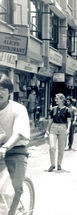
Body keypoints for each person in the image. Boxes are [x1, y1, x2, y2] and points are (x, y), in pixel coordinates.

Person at [0, 73, 30, 215]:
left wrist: (6, 147)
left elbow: (19, 133)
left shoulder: (18, 109)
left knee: (13, 188)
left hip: (16, 150)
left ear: (9, 92)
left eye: (2, 89)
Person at [45, 93, 71, 172]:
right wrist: (47, 130)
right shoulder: (53, 109)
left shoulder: (67, 110)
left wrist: (68, 129)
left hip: (63, 128)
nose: (55, 100)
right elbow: (50, 121)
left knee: (61, 148)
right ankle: (52, 164)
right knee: (52, 147)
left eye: (57, 98)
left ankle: (59, 164)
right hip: (53, 127)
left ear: (62, 100)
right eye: (56, 98)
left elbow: (69, 121)